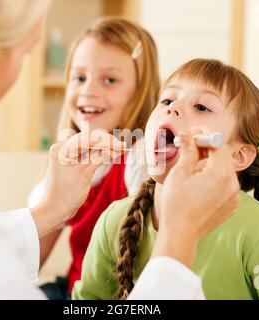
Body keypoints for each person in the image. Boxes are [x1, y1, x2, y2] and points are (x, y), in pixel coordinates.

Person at [0, 0, 239, 299]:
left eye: (110, 79)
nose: (87, 91)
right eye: (23, 52)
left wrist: (49, 210)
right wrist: (179, 239)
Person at [72, 59, 259, 300]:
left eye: (201, 107)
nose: (173, 108)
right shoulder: (113, 221)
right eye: (167, 100)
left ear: (239, 155)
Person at [27, 17, 160, 299]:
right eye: (79, 78)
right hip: (72, 289)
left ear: (141, 91)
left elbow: (147, 263)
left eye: (109, 80)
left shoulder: (140, 158)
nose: (88, 90)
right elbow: (31, 251)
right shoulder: (69, 157)